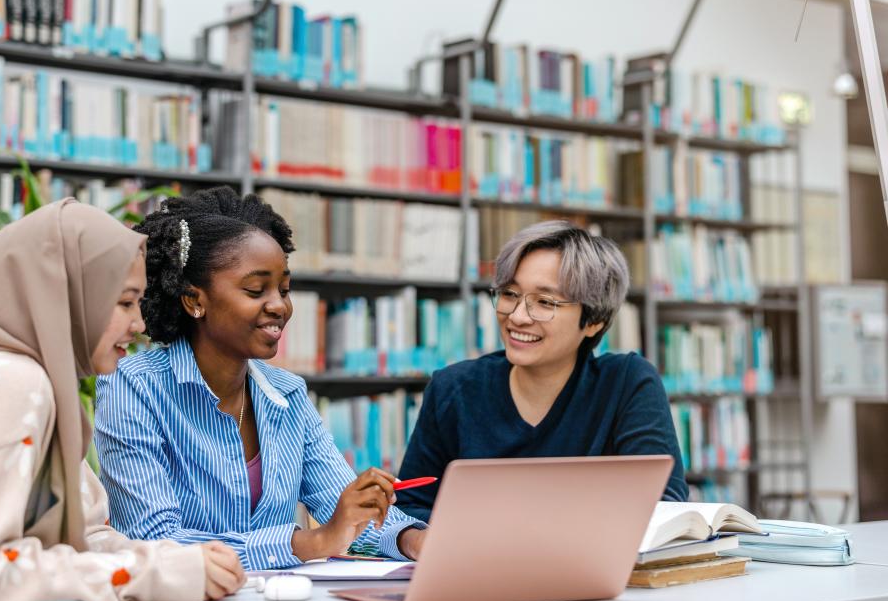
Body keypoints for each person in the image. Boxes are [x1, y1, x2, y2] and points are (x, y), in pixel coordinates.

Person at [0, 200, 245, 601]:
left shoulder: (40, 387)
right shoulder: (12, 384)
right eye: (124, 302)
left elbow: (84, 537)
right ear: (64, 297)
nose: (139, 325)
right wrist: (157, 575)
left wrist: (176, 562)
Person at [94, 187, 426, 570]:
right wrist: (310, 541)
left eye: (284, 289)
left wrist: (413, 539)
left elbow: (343, 509)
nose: (279, 306)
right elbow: (154, 540)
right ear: (194, 300)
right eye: (256, 290)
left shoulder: (288, 394)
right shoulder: (133, 386)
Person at [395, 220, 688, 522]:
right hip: (478, 567)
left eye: (544, 302)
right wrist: (418, 539)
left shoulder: (627, 382)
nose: (518, 317)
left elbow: (662, 503)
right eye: (509, 294)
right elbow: (410, 506)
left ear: (593, 321)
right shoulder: (452, 388)